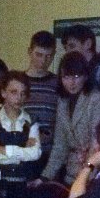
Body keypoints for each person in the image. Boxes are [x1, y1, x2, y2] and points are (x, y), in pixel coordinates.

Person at [34, 52, 100, 186]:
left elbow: (97, 142)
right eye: (66, 77)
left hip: (92, 173)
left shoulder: (97, 98)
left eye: (76, 76)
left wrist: (87, 174)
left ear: (86, 76)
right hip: (70, 172)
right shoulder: (63, 100)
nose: (71, 82)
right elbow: (60, 144)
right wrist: (44, 177)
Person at [0, 71, 42, 183]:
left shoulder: (31, 121)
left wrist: (5, 150)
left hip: (25, 183)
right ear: (3, 93)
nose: (19, 97)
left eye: (23, 93)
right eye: (14, 92)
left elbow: (35, 153)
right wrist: (21, 155)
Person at [22, 31, 57, 171]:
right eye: (39, 54)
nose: (43, 61)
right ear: (29, 52)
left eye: (48, 56)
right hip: (21, 153)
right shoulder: (16, 82)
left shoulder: (59, 83)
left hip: (49, 156)